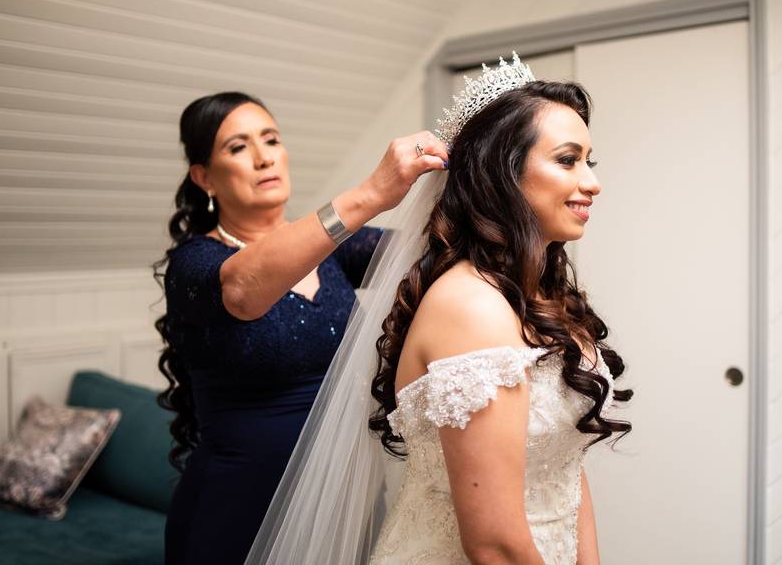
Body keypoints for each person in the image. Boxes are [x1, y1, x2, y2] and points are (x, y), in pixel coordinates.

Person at [246, 55, 632, 565]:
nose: (592, 182)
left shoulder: (537, 294)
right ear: (503, 175)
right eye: (567, 160)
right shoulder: (471, 307)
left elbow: (564, 469)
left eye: (590, 161)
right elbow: (492, 543)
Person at [154, 91, 448, 565]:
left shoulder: (334, 253)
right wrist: (373, 192)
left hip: (336, 501)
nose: (263, 155)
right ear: (204, 178)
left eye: (271, 139)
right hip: (237, 509)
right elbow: (244, 289)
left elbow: (429, 251)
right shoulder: (194, 264)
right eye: (237, 147)